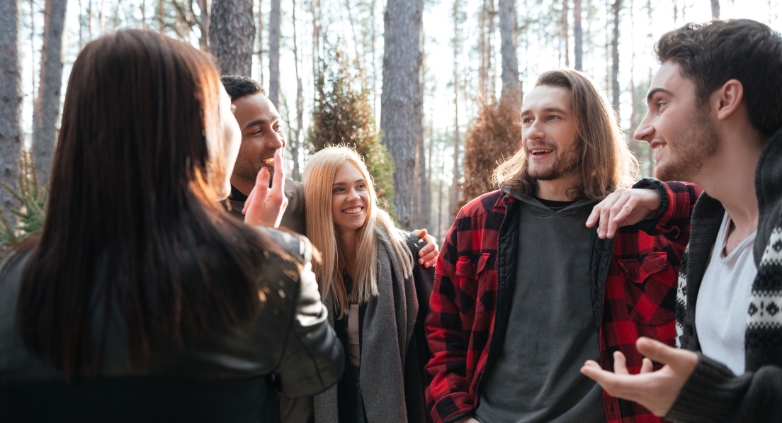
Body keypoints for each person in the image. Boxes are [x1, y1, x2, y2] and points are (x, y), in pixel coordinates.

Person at [0, 30, 342, 422]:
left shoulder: (9, 281)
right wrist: (262, 246)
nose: (274, 141)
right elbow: (316, 372)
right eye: (223, 113)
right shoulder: (268, 263)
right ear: (194, 135)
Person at [425, 68, 700, 423]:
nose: (534, 131)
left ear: (588, 128)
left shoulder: (636, 221)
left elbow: (728, 205)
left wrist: (655, 196)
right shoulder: (477, 221)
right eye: (527, 119)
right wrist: (459, 418)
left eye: (552, 117)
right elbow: (442, 336)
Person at [580, 19, 782, 422]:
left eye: (660, 104)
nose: (642, 130)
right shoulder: (708, 228)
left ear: (725, 100)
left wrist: (707, 398)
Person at [219, 75, 440, 268]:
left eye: (277, 126)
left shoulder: (306, 199)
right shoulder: (196, 216)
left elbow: (361, 226)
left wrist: (410, 244)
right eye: (257, 131)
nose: (277, 141)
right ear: (223, 139)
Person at [302, 147, 434, 423]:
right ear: (318, 198)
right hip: (340, 403)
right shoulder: (309, 268)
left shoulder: (408, 253)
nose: (354, 197)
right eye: (339, 189)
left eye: (360, 185)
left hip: (403, 403)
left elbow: (436, 336)